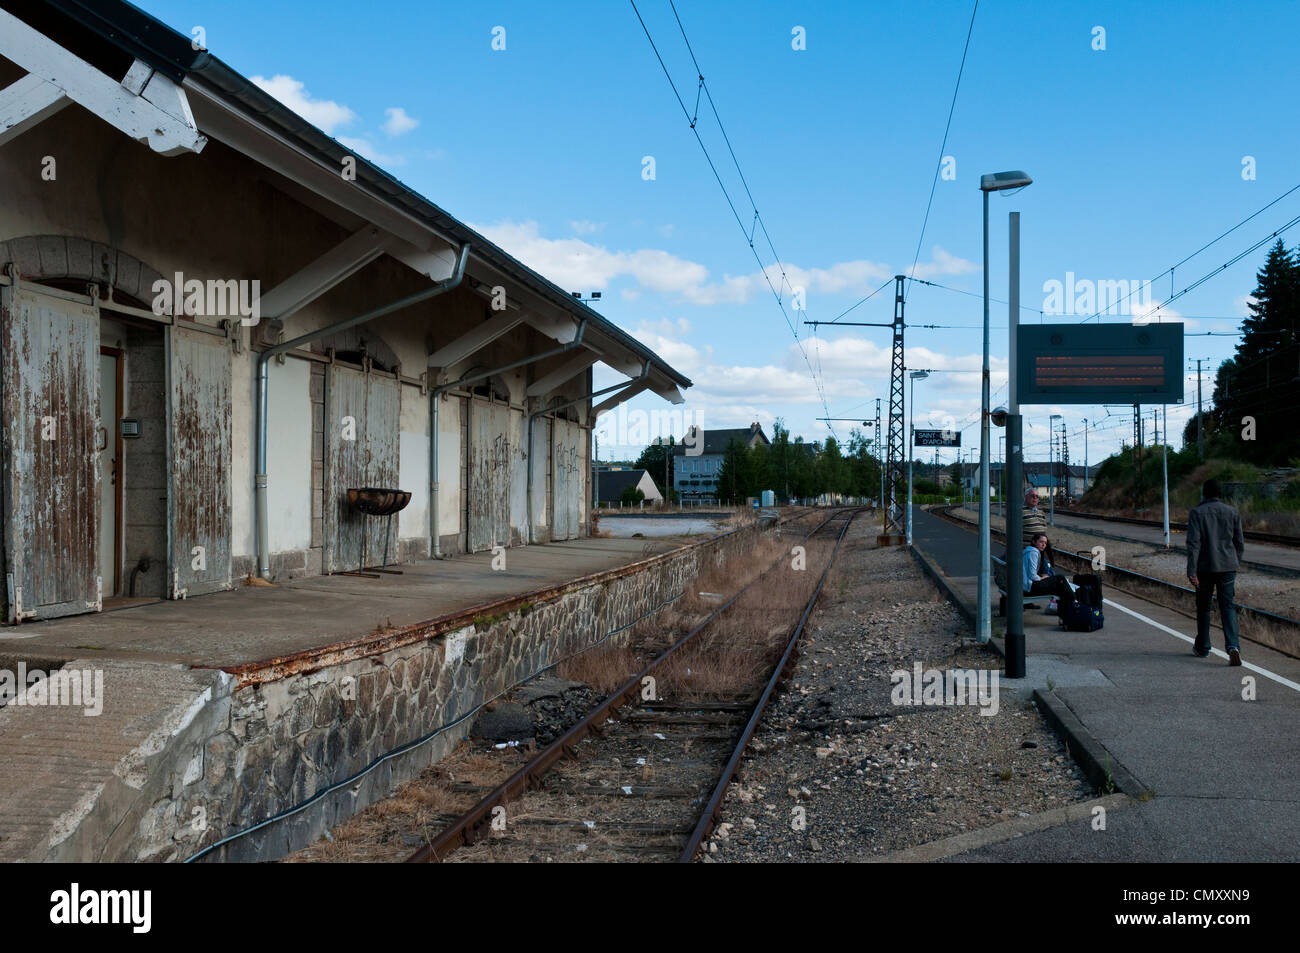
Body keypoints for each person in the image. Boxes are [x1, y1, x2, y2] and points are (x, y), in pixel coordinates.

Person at [1186, 479, 1245, 665]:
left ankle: (1203, 647)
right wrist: (1235, 562)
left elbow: (1193, 543)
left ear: (1204, 493)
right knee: (1227, 606)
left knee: (1204, 607)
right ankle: (1233, 646)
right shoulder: (1232, 512)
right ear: (1220, 494)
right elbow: (1239, 543)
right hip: (1228, 567)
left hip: (1205, 568)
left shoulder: (1197, 512)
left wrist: (1191, 570)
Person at [1022, 532, 1074, 603]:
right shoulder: (1033, 553)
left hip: (1025, 585)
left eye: (1045, 543)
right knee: (1060, 578)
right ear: (1034, 542)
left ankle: (1070, 604)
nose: (1043, 545)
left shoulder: (1027, 551)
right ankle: (1075, 602)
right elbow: (1032, 576)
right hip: (1029, 587)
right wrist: (1042, 578)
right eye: (1041, 542)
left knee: (1060, 585)